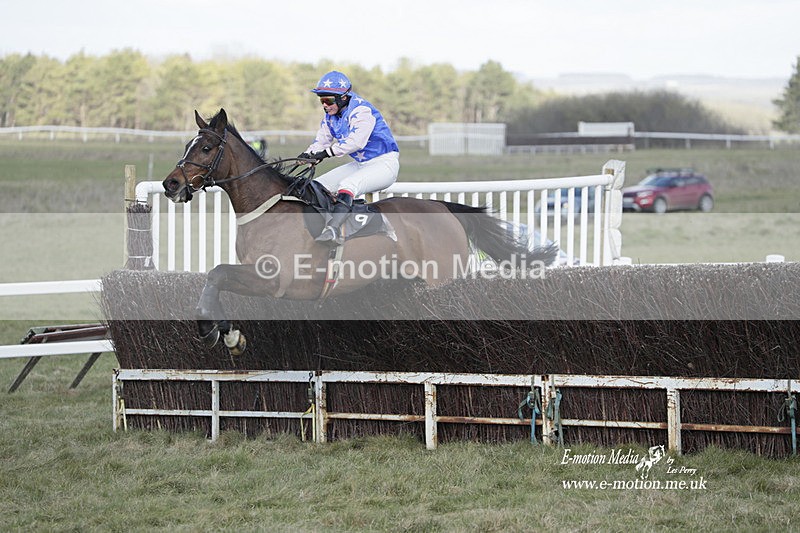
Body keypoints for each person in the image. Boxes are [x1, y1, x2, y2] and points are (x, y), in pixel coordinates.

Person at [299, 71, 399, 244]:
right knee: (317, 187)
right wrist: (309, 154)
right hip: (361, 164)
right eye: (321, 100)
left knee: (348, 185)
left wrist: (326, 153)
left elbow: (356, 142)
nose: (325, 105)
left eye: (328, 100)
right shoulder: (330, 116)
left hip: (384, 164)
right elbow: (321, 141)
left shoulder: (361, 111)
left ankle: (334, 230)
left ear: (343, 98)